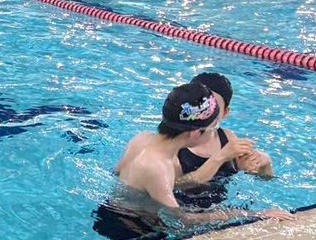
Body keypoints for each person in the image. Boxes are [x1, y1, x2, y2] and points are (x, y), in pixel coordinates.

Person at [105, 81, 291, 230]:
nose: (214, 133)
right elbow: (182, 220)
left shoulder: (142, 138)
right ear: (195, 133)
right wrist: (256, 215)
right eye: (213, 128)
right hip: (130, 229)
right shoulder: (156, 166)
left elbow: (117, 174)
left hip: (110, 213)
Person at [177, 72, 273, 188]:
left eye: (213, 107)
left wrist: (264, 164)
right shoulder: (174, 141)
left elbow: (266, 180)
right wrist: (221, 157)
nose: (204, 112)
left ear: (225, 112)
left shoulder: (227, 138)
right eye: (199, 104)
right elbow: (174, 185)